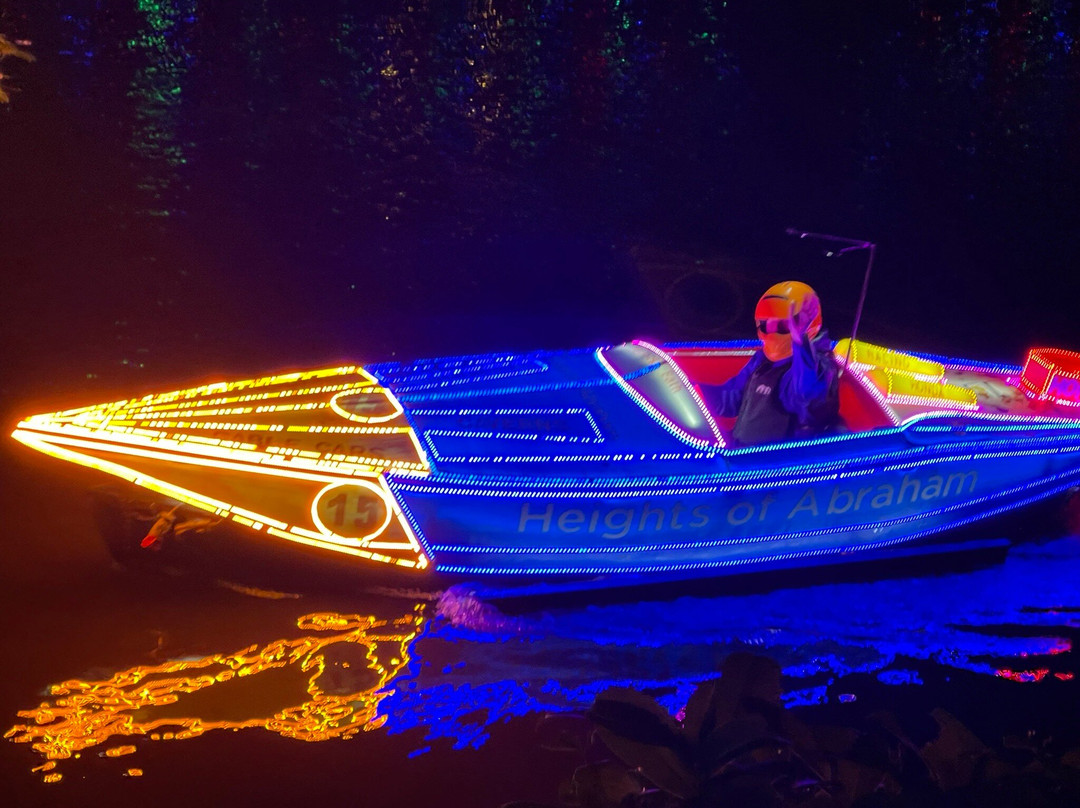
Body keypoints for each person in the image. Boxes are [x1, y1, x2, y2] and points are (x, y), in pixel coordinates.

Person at [702, 280, 839, 446]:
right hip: (741, 454)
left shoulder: (821, 367)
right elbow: (730, 399)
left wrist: (800, 343)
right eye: (765, 325)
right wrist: (692, 391)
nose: (771, 333)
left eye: (782, 325)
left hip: (777, 462)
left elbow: (804, 398)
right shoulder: (761, 359)